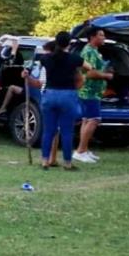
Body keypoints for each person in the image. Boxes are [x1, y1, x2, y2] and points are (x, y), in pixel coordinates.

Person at [35, 31, 92, 170]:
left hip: (50, 94)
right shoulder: (74, 58)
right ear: (69, 43)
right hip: (68, 95)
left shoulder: (46, 58)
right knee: (67, 131)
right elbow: (89, 67)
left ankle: (44, 160)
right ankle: (67, 162)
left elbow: (36, 69)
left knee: (48, 130)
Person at [74, 26, 113, 164]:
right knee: (94, 120)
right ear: (92, 37)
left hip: (94, 92)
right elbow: (89, 73)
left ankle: (84, 149)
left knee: (87, 119)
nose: (103, 38)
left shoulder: (96, 51)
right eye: (101, 35)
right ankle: (80, 151)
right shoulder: (89, 51)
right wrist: (106, 75)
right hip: (89, 91)